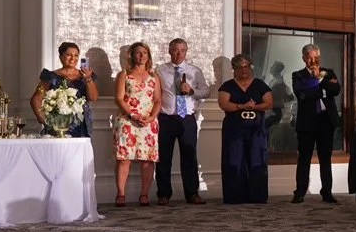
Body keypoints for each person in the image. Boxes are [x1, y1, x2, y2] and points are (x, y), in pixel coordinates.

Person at [155, 38, 209, 205]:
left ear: (186, 52)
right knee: (164, 157)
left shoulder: (194, 70)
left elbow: (205, 91)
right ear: (170, 51)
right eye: (176, 50)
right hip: (166, 118)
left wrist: (191, 91)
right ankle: (163, 194)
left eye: (182, 50)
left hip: (187, 118)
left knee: (189, 156)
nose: (179, 53)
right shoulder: (160, 70)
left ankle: (192, 193)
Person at [290, 43, 342, 204]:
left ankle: (327, 192)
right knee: (304, 158)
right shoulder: (298, 75)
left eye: (316, 57)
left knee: (325, 158)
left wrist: (319, 80)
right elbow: (302, 94)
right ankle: (300, 192)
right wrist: (320, 83)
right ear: (304, 58)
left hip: (326, 122)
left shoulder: (328, 72)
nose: (313, 60)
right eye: (309, 57)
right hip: (307, 123)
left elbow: (336, 90)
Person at [217, 54, 272, 204]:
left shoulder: (260, 84)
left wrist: (255, 106)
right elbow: (223, 104)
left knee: (257, 159)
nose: (243, 70)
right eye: (240, 67)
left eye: (246, 66)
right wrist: (241, 106)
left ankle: (257, 196)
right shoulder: (227, 86)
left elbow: (268, 102)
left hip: (256, 129)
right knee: (234, 160)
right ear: (233, 69)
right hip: (234, 130)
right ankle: (235, 197)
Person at [112, 41, 161, 207]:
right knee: (124, 158)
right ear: (132, 55)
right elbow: (119, 98)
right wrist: (132, 115)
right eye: (138, 53)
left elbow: (158, 100)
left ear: (149, 56)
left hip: (148, 122)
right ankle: (120, 194)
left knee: (147, 159)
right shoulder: (124, 74)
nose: (141, 56)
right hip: (127, 120)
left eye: (144, 53)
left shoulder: (154, 76)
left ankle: (144, 195)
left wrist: (151, 117)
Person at [31, 41, 97, 138]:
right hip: (58, 123)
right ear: (61, 56)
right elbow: (36, 99)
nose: (73, 58)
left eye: (76, 55)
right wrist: (43, 118)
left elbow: (93, 97)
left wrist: (88, 79)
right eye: (68, 55)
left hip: (81, 123)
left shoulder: (87, 75)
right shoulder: (50, 76)